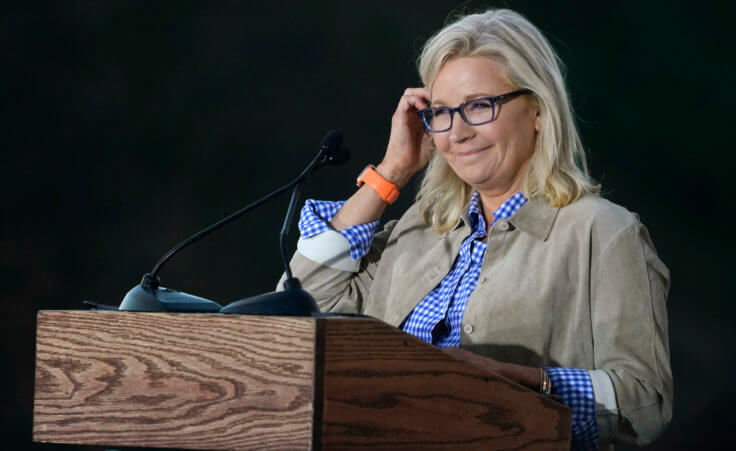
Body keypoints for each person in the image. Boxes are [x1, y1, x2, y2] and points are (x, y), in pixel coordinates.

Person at [279, 8, 671, 450]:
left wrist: (517, 380)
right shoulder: (420, 228)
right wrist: (391, 171)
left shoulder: (604, 232)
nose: (456, 133)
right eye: (441, 113)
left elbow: (645, 404)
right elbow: (299, 303)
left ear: (538, 110)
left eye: (479, 106)